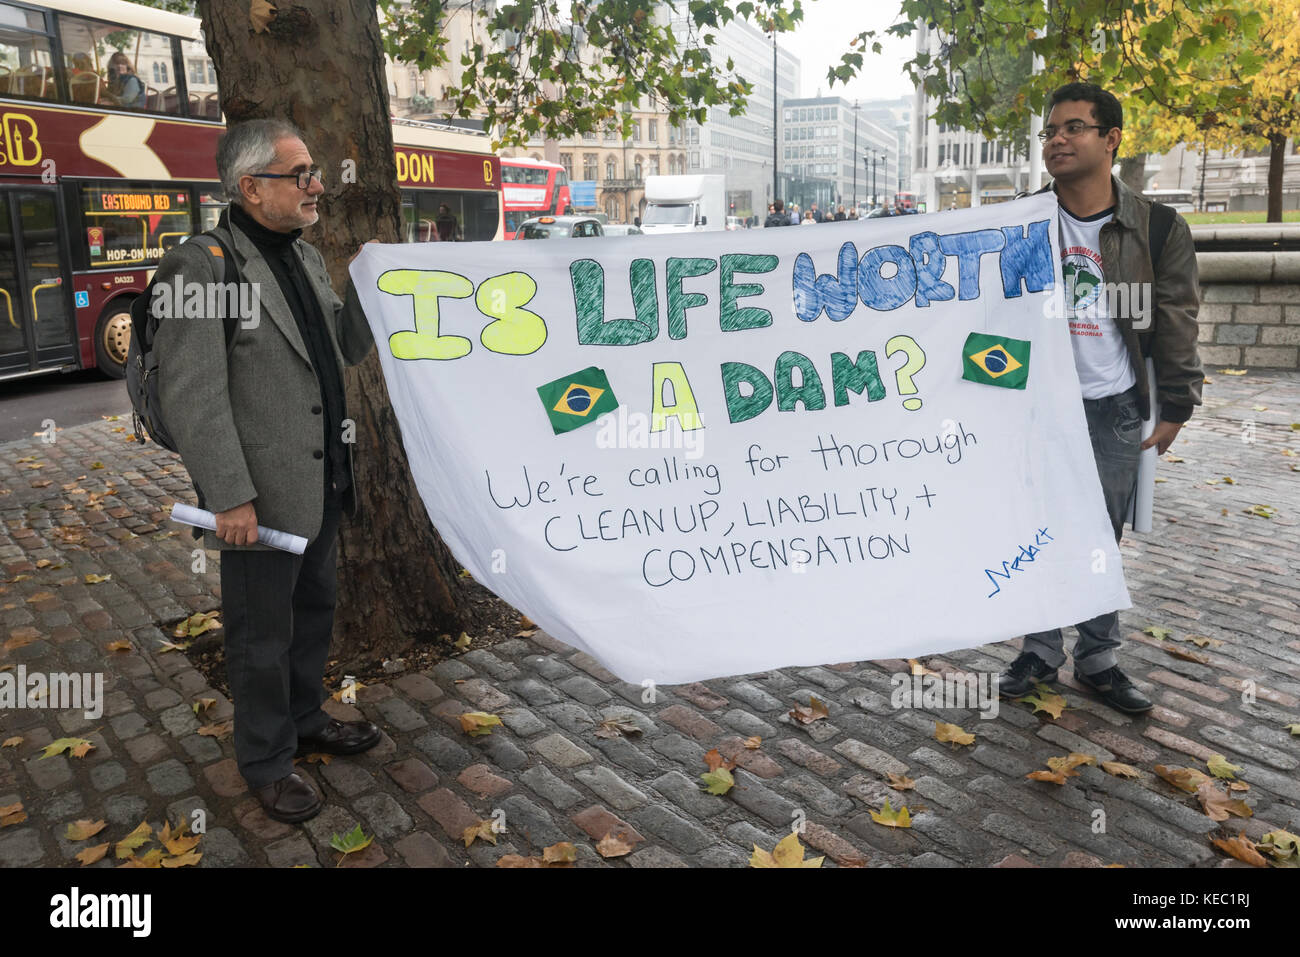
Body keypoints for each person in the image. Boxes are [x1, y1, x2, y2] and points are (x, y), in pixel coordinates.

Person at [152, 119, 380, 822]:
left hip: (320, 482)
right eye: (301, 173)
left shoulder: (305, 257)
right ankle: (265, 759)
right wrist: (230, 496)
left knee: (313, 614)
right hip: (257, 499)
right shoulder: (205, 265)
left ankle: (306, 717)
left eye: (313, 172)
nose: (317, 186)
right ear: (251, 187)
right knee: (259, 635)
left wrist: (376, 281)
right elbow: (193, 394)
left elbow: (342, 347)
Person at [999, 82, 1203, 714]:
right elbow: (988, 317)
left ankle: (1097, 658)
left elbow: (1175, 317)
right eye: (1049, 132)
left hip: (1115, 405)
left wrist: (1177, 405)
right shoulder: (1020, 220)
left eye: (1073, 128)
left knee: (1098, 537)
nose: (1056, 140)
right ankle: (1040, 651)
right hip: (1038, 408)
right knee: (1039, 530)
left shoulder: (1158, 227)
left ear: (1110, 139)